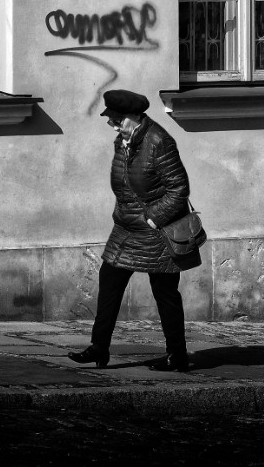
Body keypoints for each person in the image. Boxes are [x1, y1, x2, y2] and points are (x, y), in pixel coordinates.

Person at [68, 88, 200, 372]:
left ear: (135, 117)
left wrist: (153, 218)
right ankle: (99, 347)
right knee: (109, 281)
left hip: (156, 231)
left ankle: (177, 355)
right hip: (126, 228)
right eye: (111, 120)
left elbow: (178, 189)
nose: (113, 125)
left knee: (164, 292)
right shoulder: (124, 141)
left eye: (117, 120)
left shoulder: (159, 142)